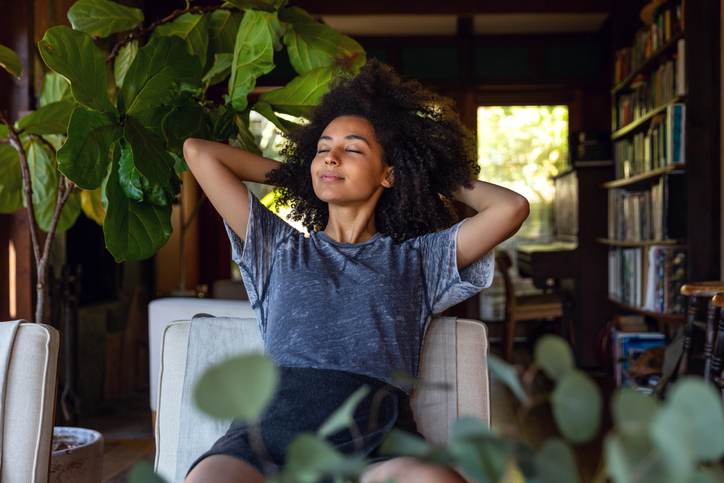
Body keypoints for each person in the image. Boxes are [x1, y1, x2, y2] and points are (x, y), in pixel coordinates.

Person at [182, 59, 529, 483]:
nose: (331, 158)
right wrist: (300, 174)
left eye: (352, 149)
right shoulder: (277, 247)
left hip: (374, 446)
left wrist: (424, 172)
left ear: (388, 174)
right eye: (323, 148)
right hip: (265, 439)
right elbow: (199, 153)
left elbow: (511, 208)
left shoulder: (420, 260)